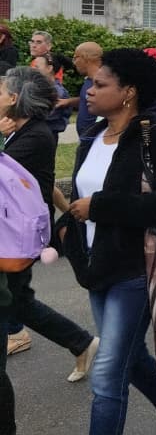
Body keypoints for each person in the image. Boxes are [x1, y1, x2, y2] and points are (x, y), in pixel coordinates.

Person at [60, 49, 156, 434]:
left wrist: (102, 206)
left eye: (100, 84)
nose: (88, 91)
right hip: (97, 267)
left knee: (107, 375)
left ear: (129, 93)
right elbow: (81, 201)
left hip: (136, 268)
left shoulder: (155, 137)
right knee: (127, 353)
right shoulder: (91, 139)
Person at [0, 67, 99, 380]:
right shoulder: (24, 131)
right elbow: (47, 182)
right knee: (17, 302)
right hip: (15, 232)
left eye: (1, 92)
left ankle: (81, 342)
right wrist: (64, 207)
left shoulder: (33, 137)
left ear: (14, 98)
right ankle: (81, 341)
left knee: (12, 301)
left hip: (15, 236)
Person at [29, 53, 71, 138]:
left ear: (49, 68)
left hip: (45, 136)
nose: (32, 69)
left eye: (36, 67)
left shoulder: (57, 92)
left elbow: (44, 115)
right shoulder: (37, 87)